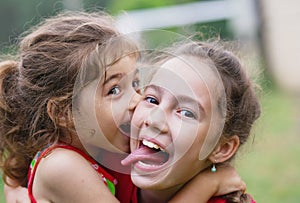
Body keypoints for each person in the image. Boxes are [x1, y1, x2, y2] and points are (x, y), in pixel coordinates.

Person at [0, 11, 246, 203]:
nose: (138, 100)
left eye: (136, 83)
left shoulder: (95, 149)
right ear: (64, 113)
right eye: (114, 90)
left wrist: (12, 186)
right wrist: (208, 183)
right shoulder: (62, 164)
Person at [121, 41, 260, 203]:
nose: (154, 120)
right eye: (152, 100)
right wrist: (206, 184)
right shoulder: (104, 169)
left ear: (221, 148)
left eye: (186, 113)